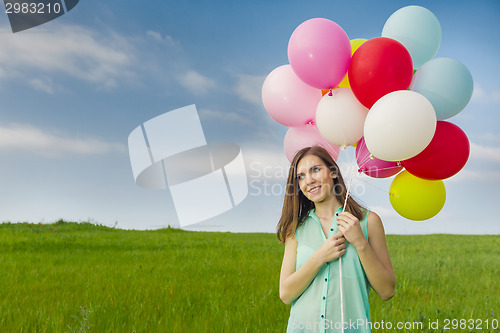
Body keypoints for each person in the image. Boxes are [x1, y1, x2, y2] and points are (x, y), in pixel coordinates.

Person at [277, 146, 395, 333]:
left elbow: (387, 291)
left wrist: (360, 243)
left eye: (315, 169)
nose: (309, 180)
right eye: (301, 176)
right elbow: (285, 294)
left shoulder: (368, 222)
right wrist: (320, 257)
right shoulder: (296, 230)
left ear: (333, 172)